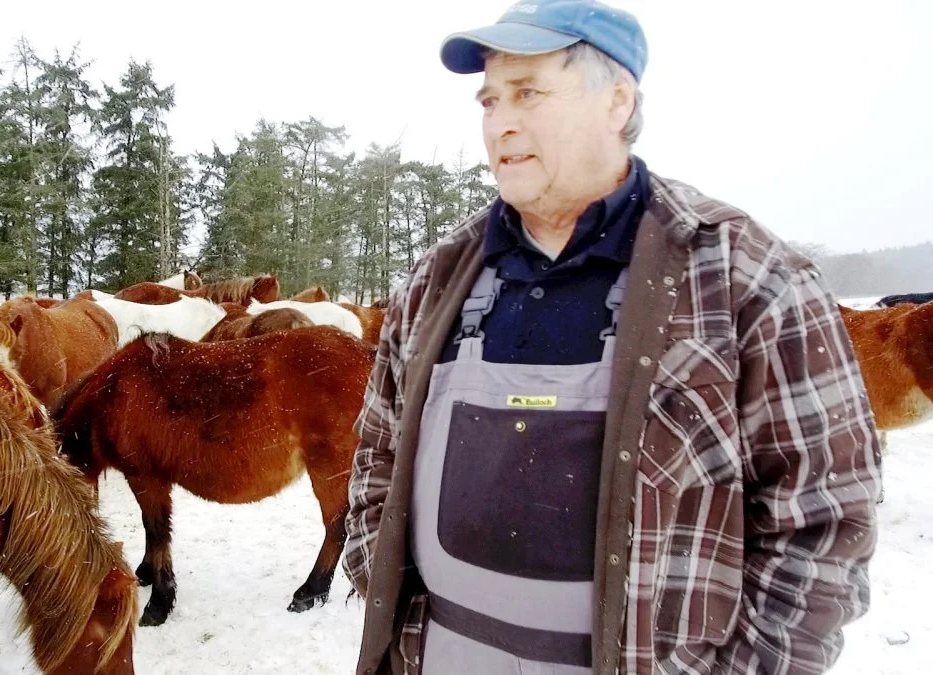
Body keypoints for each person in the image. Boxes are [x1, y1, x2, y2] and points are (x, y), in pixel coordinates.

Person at [341, 1, 883, 673]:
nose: (498, 122)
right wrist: (383, 585)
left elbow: (826, 517)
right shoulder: (437, 278)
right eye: (488, 100)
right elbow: (376, 456)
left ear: (617, 101)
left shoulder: (745, 275)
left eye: (527, 92)